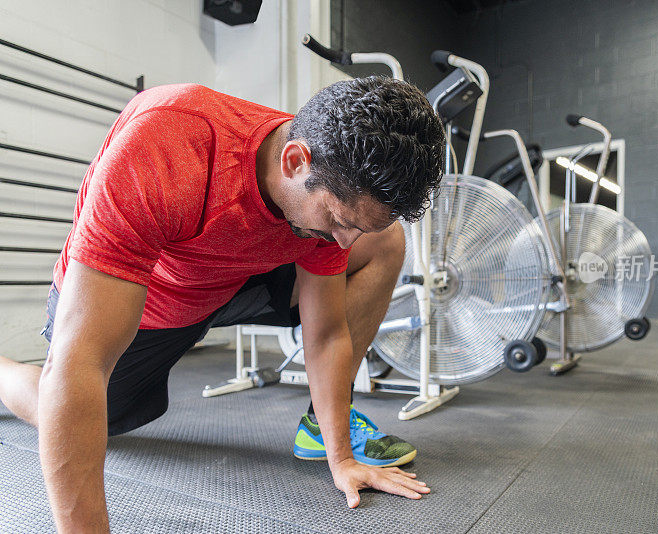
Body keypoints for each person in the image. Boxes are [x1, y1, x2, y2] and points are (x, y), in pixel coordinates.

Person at [0, 77, 445, 532]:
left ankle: (325, 424)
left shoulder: (331, 194)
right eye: (338, 220)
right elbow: (82, 362)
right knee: (87, 412)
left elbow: (328, 332)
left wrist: (341, 460)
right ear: (294, 162)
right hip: (151, 299)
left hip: (236, 278)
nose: (344, 240)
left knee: (384, 242)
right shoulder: (166, 146)